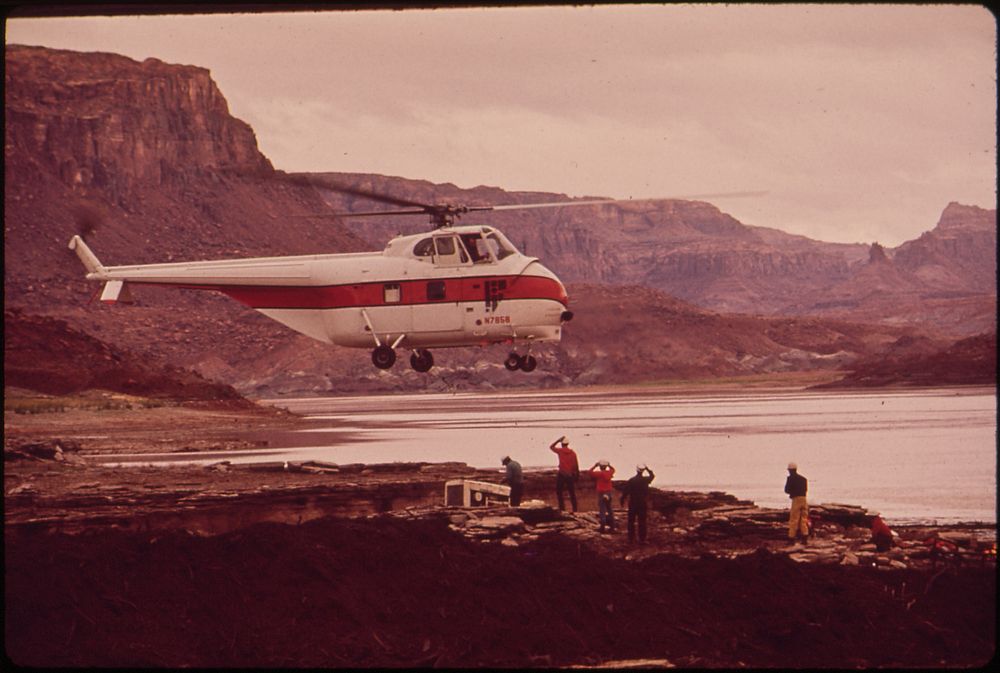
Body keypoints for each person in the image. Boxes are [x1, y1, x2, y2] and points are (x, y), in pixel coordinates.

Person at [620, 464, 655, 544]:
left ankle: (631, 538)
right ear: (643, 471)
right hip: (642, 503)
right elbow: (652, 476)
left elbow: (626, 492)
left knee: (631, 521)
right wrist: (648, 469)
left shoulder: (632, 480)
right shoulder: (645, 480)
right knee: (642, 521)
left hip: (633, 503)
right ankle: (642, 539)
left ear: (636, 470)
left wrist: (622, 499)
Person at [549, 436, 580, 512]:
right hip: (570, 475)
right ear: (568, 444)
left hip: (562, 473)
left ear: (562, 444)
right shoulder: (573, 453)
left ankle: (562, 508)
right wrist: (576, 475)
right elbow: (576, 465)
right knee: (572, 492)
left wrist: (558, 440)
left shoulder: (560, 451)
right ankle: (575, 509)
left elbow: (551, 447)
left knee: (559, 491)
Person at [784, 462, 809, 544]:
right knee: (803, 519)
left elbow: (787, 490)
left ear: (790, 470)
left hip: (796, 499)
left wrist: (792, 492)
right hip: (804, 499)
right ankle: (805, 537)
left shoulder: (790, 478)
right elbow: (805, 490)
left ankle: (791, 538)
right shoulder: (803, 479)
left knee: (794, 519)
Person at [588, 459, 616, 533]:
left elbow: (590, 472)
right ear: (606, 466)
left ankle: (602, 527)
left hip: (601, 493)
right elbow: (613, 469)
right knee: (610, 510)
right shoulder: (610, 472)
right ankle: (612, 527)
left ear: (600, 467)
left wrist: (595, 465)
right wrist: (609, 465)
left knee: (602, 510)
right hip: (608, 493)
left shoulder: (599, 474)